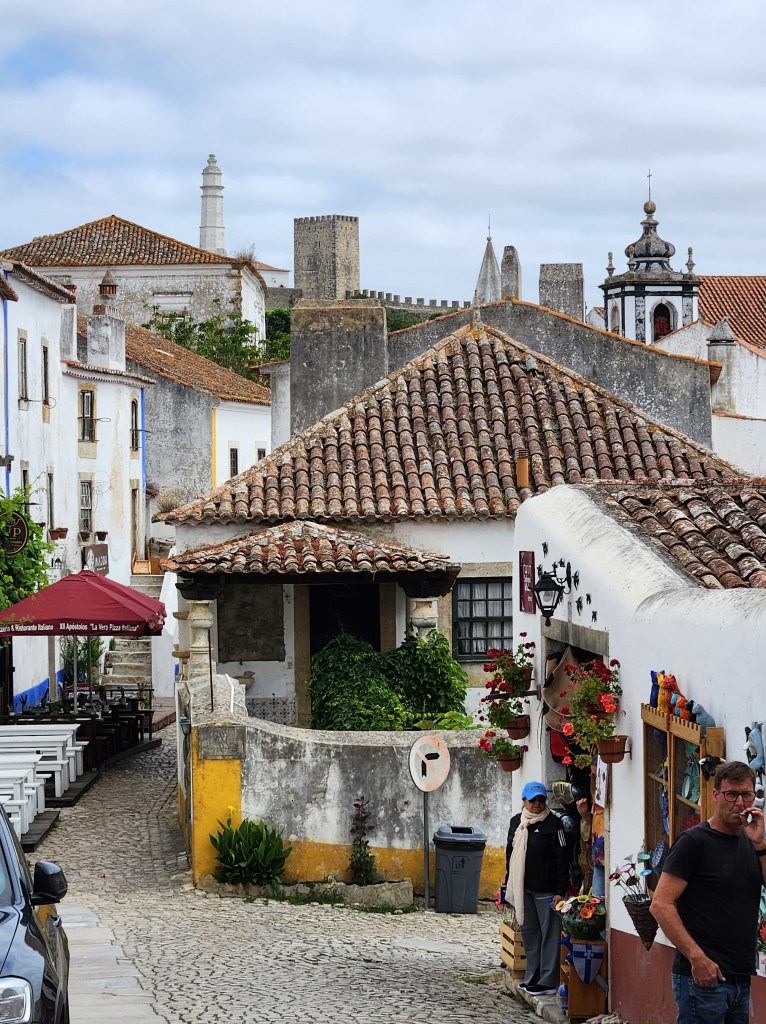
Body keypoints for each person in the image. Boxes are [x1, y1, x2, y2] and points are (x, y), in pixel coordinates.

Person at [651, 760, 766, 1024]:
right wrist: (697, 958)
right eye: (731, 794)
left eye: (746, 794)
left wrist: (760, 845)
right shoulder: (694, 842)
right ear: (716, 795)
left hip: (740, 976)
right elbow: (660, 904)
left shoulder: (753, 842)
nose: (739, 802)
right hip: (702, 979)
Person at [505, 780, 569, 996]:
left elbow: (562, 859)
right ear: (524, 800)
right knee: (530, 932)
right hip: (523, 889)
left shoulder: (554, 825)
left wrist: (560, 890)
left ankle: (548, 980)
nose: (537, 804)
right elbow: (510, 854)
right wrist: (508, 884)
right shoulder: (517, 822)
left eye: (541, 799)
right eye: (533, 800)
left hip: (547, 890)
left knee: (549, 933)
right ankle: (532, 976)